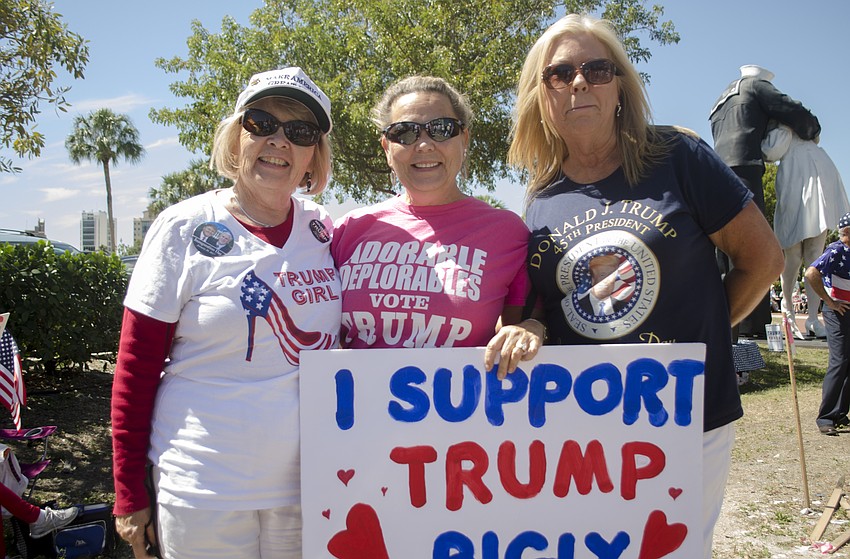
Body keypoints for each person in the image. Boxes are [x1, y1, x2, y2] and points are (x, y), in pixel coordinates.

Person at [508, 14, 784, 559]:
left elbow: (763, 259)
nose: (579, 81)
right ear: (541, 97)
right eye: (559, 73)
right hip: (583, 419)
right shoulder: (540, 197)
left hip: (686, 412)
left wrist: (701, 330)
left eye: (596, 68)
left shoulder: (678, 157)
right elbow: (546, 301)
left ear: (620, 87)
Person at [111, 66, 340, 559]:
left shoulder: (325, 230)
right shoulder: (183, 226)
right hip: (202, 488)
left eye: (299, 132)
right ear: (237, 137)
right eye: (262, 123)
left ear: (312, 157)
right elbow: (135, 368)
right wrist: (129, 493)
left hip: (311, 488)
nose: (279, 141)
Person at [331, 76, 544, 379]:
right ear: (386, 147)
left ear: (464, 139)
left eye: (441, 129)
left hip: (462, 417)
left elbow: (523, 324)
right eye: (403, 132)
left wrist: (531, 328)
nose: (424, 145)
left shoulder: (509, 233)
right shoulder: (348, 230)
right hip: (358, 418)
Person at [709, 64, 820, 337]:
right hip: (745, 168)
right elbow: (792, 110)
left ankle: (727, 323)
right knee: (752, 246)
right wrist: (812, 128)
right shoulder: (755, 85)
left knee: (722, 251)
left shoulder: (721, 99)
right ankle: (751, 324)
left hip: (715, 170)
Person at [762, 121, 850, 339]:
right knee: (792, 257)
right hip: (797, 182)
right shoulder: (782, 129)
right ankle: (788, 312)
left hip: (820, 182)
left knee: (815, 257)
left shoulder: (809, 133)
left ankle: (812, 317)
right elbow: (770, 152)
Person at [804, 212, 850, 436]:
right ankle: (825, 417)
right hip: (836, 312)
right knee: (839, 360)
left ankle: (840, 413)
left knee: (848, 362)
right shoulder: (835, 250)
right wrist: (829, 302)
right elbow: (811, 272)